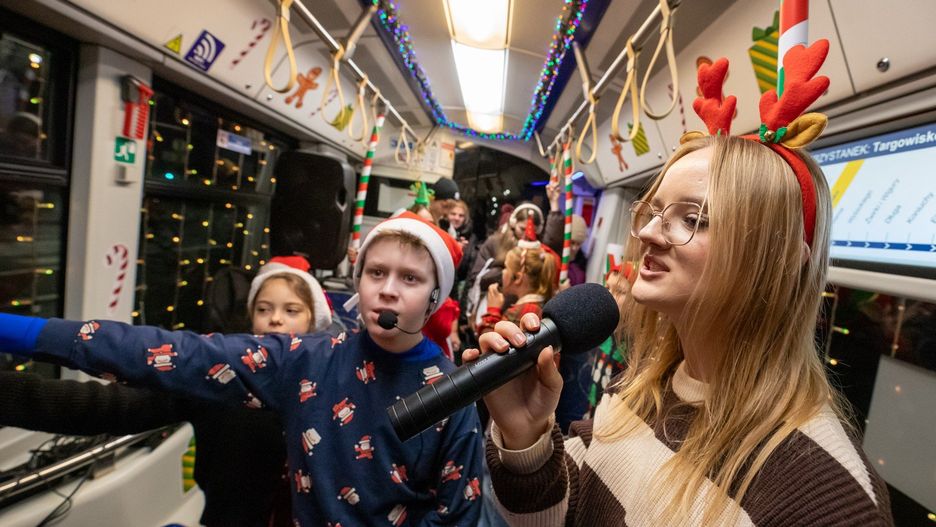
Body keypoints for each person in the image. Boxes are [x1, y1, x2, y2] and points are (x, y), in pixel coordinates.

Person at [463, 46, 894, 525]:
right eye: (652, 211)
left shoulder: (829, 497)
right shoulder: (639, 391)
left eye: (694, 219)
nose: (648, 232)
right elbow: (565, 514)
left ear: (780, 262)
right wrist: (526, 438)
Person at [0, 212, 484, 526]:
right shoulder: (305, 360)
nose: (389, 290)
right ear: (359, 282)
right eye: (376, 273)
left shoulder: (451, 392)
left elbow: (457, 514)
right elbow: (168, 353)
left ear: (435, 296)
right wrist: (18, 331)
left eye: (410, 278)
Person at [0, 255, 334, 527]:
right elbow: (107, 406)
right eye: (263, 309)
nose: (275, 320)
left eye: (291, 310)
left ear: (313, 322)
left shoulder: (333, 389)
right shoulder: (219, 380)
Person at [477, 217, 557, 336]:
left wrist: (493, 312)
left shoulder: (524, 312)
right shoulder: (538, 304)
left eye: (506, 268)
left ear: (518, 278)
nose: (503, 272)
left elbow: (492, 345)